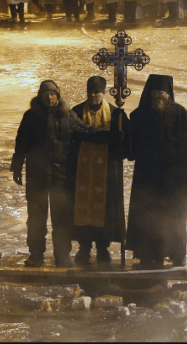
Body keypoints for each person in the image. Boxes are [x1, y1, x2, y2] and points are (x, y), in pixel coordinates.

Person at [11, 81, 91, 268]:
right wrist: (16, 167)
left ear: (58, 95)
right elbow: (21, 143)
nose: (49, 97)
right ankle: (36, 256)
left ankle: (62, 257)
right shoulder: (30, 117)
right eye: (46, 94)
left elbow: (85, 131)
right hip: (36, 177)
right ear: (40, 96)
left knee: (62, 219)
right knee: (36, 220)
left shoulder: (68, 116)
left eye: (53, 94)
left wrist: (109, 135)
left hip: (60, 177)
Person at [126, 74, 187, 268]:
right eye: (155, 92)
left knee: (174, 219)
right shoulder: (139, 115)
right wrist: (121, 123)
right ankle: (149, 255)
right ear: (149, 93)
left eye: (162, 92)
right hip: (147, 179)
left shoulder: (180, 114)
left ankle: (177, 255)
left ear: (169, 94)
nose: (159, 96)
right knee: (148, 218)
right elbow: (130, 149)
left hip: (173, 180)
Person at [70, 76, 130, 266]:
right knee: (83, 207)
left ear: (104, 93)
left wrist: (120, 139)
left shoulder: (115, 113)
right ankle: (84, 248)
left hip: (106, 170)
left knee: (105, 209)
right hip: (82, 170)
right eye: (91, 92)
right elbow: (70, 137)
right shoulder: (76, 112)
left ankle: (103, 248)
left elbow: (125, 141)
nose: (94, 95)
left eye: (97, 92)